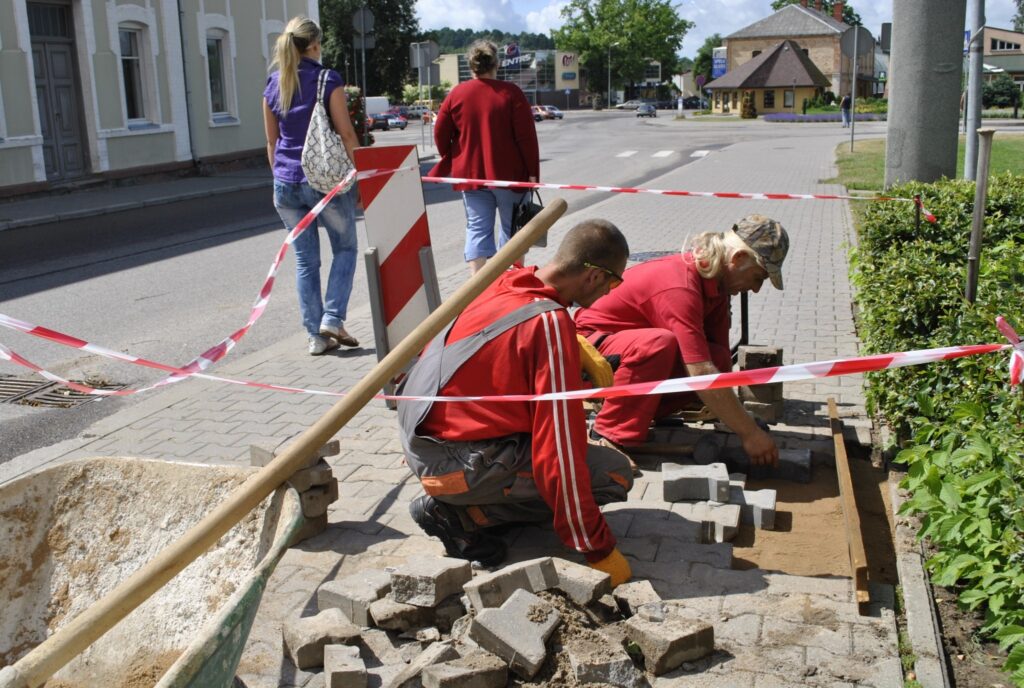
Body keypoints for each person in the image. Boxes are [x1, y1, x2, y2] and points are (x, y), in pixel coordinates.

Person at [398, 219, 635, 585]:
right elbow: (558, 452)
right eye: (613, 282)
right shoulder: (548, 322)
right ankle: (463, 516)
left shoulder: (505, 280)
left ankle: (481, 500)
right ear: (593, 276)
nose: (609, 293)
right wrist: (596, 547)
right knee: (614, 474)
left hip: (423, 440)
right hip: (454, 465)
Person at [575, 214, 790, 468]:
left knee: (719, 357)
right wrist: (749, 433)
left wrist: (736, 419)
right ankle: (607, 435)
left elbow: (715, 366)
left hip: (632, 354)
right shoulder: (681, 286)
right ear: (738, 259)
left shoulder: (716, 286)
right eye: (758, 277)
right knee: (660, 344)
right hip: (591, 355)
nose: (756, 289)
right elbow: (700, 372)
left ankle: (643, 414)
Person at [263, 16, 361, 356]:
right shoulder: (327, 80)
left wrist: (281, 176)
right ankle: (332, 319)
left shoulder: (274, 83)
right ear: (316, 45)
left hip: (285, 183)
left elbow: (272, 143)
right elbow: (346, 133)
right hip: (324, 181)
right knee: (345, 248)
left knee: (306, 262)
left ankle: (315, 337)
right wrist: (361, 174)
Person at [429, 40, 540, 275]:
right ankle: (510, 281)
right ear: (496, 64)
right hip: (510, 176)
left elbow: (440, 131)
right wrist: (532, 172)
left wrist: (452, 155)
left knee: (477, 228)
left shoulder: (457, 94)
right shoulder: (511, 93)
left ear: (471, 66)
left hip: (471, 175)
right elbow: (526, 138)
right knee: (513, 230)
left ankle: (477, 284)